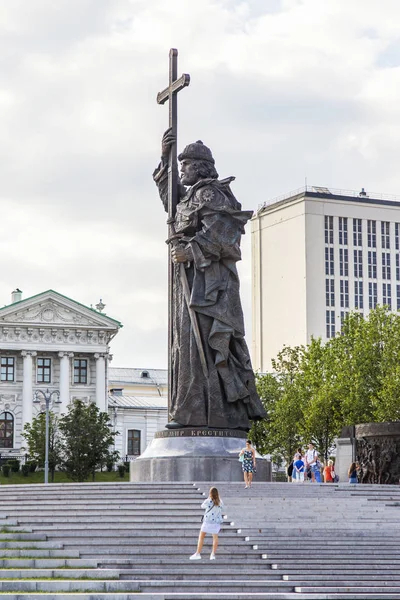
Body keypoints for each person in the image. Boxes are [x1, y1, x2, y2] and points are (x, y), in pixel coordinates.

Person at [153, 131, 267, 430]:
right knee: (185, 344)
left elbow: (223, 234)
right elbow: (170, 199)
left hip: (211, 287)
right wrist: (165, 157)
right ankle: (190, 411)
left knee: (201, 345)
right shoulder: (191, 195)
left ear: (201, 167)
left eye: (186, 164)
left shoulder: (211, 194)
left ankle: (212, 415)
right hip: (190, 282)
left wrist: (189, 251)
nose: (182, 170)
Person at [190, 487, 224, 561]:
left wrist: (209, 498)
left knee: (201, 537)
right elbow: (223, 509)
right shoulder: (220, 502)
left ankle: (198, 553)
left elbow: (202, 506)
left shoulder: (208, 501)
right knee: (215, 538)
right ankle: (212, 554)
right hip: (216, 522)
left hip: (207, 522)